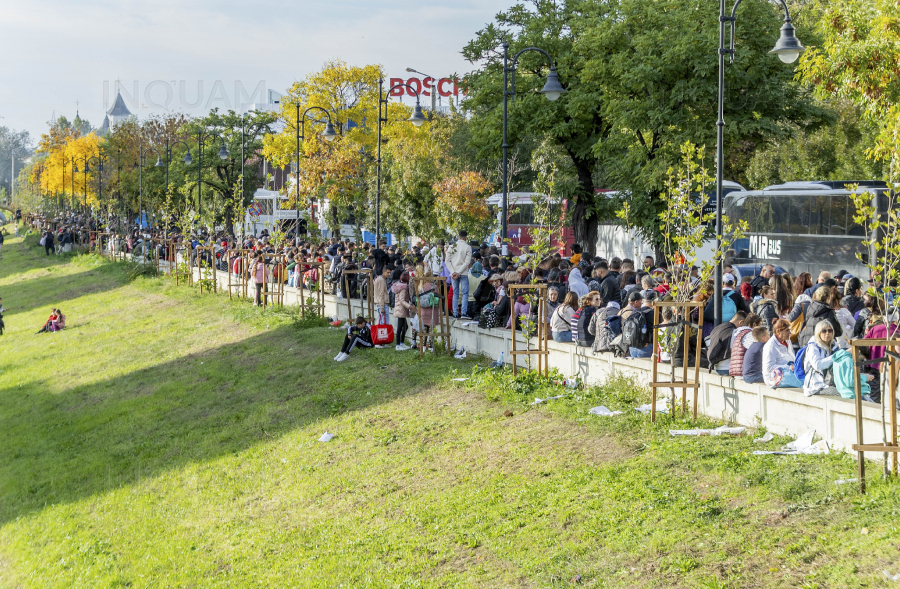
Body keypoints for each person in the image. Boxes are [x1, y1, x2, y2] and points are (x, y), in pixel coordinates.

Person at [803, 320, 845, 397]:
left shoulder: (834, 344)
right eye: (824, 331)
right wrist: (835, 356)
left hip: (832, 381)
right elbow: (817, 365)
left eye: (830, 330)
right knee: (843, 393)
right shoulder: (813, 346)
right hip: (816, 385)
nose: (827, 333)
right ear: (818, 333)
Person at [762, 319, 802, 388]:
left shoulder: (787, 340)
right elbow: (769, 368)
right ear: (778, 332)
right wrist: (788, 367)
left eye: (790, 330)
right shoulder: (770, 346)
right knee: (802, 381)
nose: (790, 332)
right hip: (773, 377)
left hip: (787, 372)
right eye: (787, 330)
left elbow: (792, 357)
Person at [708, 311, 748, 375]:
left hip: (716, 367)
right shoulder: (734, 332)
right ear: (741, 322)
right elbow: (735, 351)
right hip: (727, 368)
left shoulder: (718, 328)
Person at [445, 230, 473, 319]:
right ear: (466, 237)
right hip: (463, 272)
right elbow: (467, 262)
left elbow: (447, 261)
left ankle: (455, 313)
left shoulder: (451, 247)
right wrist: (459, 272)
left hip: (453, 273)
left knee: (455, 293)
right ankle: (464, 312)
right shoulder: (468, 247)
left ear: (458, 236)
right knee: (465, 293)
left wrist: (453, 272)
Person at [391, 272, 415, 350]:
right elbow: (402, 300)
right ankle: (398, 345)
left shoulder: (399, 285)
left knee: (404, 326)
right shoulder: (404, 288)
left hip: (400, 309)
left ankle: (401, 343)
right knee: (400, 327)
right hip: (401, 309)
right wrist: (410, 306)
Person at [373, 265, 391, 331]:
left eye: (390, 272)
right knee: (384, 323)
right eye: (388, 272)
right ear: (383, 271)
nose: (389, 274)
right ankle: (383, 339)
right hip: (382, 304)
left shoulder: (380, 279)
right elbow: (381, 294)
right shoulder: (381, 280)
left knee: (382, 323)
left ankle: (382, 339)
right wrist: (382, 307)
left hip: (381, 303)